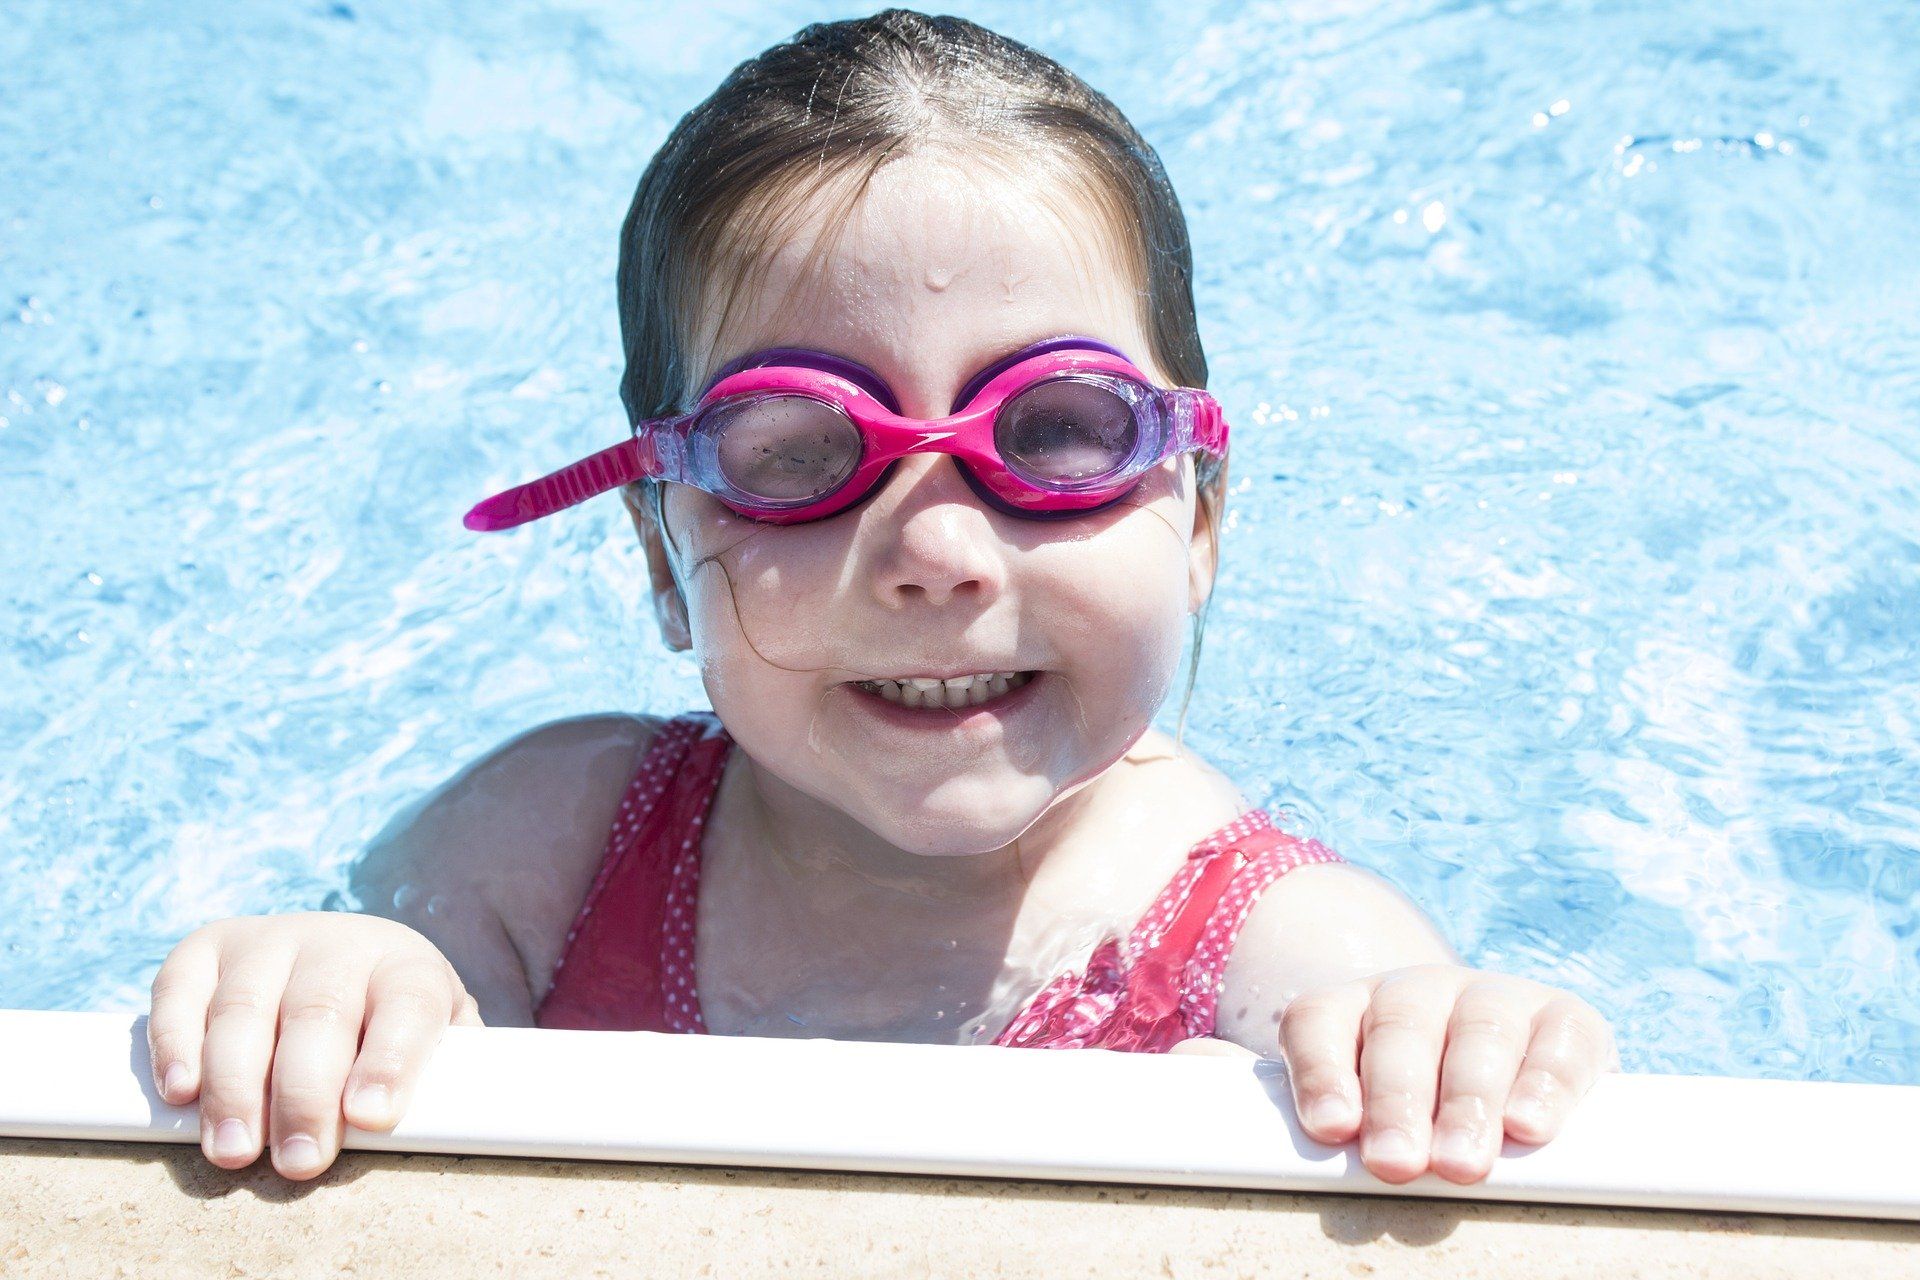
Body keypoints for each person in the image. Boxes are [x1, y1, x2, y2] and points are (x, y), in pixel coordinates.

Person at [146, 9, 1618, 1186]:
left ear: (1203, 523)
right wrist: (338, 978)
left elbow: (1433, 1094)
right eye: (796, 456)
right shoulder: (544, 850)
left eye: (1056, 433)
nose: (939, 553)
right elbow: (355, 993)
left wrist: (1440, 1047)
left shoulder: (1284, 957)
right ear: (664, 560)